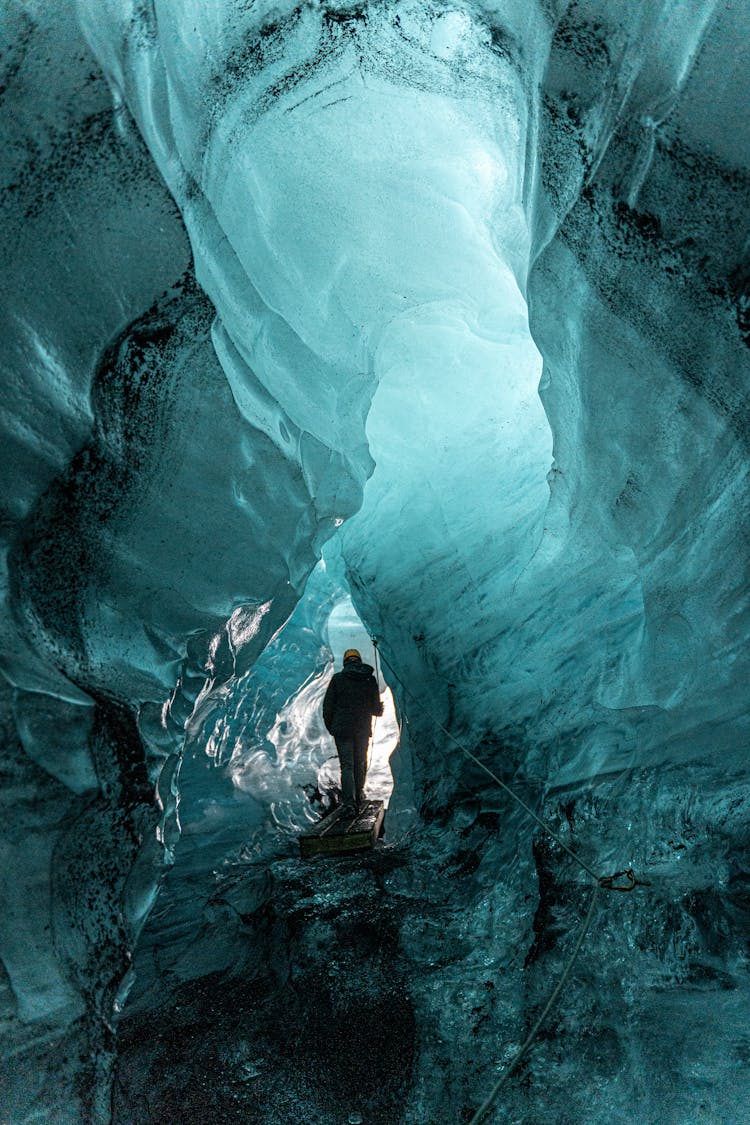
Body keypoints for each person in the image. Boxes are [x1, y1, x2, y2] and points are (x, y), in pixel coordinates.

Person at [322, 648, 383, 811]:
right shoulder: (369, 679)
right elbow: (376, 709)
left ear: (345, 662)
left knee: (347, 766)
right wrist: (378, 708)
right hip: (362, 728)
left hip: (342, 729)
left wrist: (332, 727)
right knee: (360, 762)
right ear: (359, 660)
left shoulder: (337, 679)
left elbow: (328, 707)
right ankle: (359, 794)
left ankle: (349, 802)